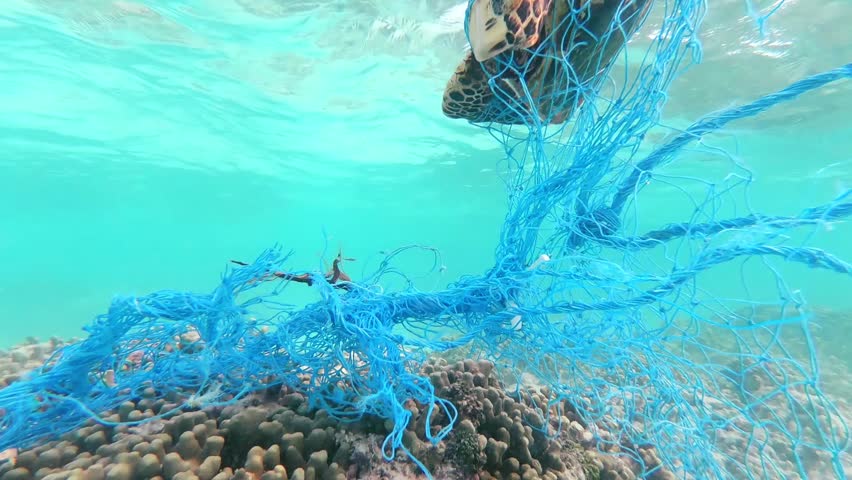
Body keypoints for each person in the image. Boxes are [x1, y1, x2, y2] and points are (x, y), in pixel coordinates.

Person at [231, 250, 355, 290]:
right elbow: (336, 272)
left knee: (279, 274)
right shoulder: (332, 281)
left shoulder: (333, 282)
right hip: (311, 278)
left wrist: (337, 261)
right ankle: (246, 265)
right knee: (279, 273)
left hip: (312, 279)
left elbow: (336, 273)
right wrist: (336, 261)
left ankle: (247, 266)